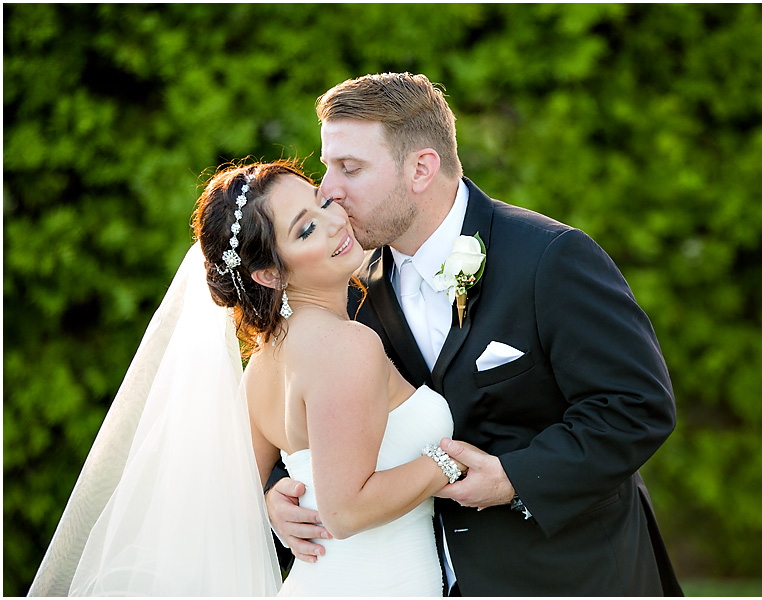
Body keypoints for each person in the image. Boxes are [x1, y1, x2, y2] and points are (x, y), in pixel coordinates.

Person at [266, 73, 683, 596]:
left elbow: (636, 404)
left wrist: (515, 477)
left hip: (571, 576)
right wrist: (276, 496)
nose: (328, 190)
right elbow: (293, 419)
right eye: (328, 167)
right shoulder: (347, 289)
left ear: (421, 168)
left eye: (350, 168)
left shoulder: (549, 258)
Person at [28, 160, 466, 596]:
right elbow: (346, 511)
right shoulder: (347, 346)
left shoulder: (262, 364)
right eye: (306, 230)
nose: (334, 221)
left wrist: (275, 501)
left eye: (323, 200)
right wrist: (447, 464)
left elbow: (235, 495)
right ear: (269, 274)